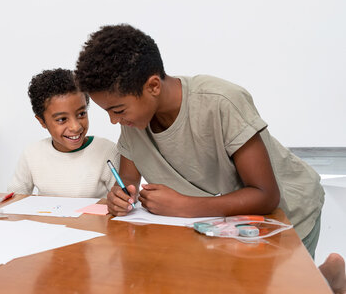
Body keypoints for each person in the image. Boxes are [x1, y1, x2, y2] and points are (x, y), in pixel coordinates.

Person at [74, 24, 346, 294]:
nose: (113, 120)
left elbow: (266, 196)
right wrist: (120, 197)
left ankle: (326, 278)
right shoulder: (133, 119)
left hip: (288, 214)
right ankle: (323, 278)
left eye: (117, 110)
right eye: (108, 112)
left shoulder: (221, 101)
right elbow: (129, 180)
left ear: (153, 86)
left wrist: (184, 206)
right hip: (227, 222)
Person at [8, 68, 118, 198]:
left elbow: (123, 200)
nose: (75, 127)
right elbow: (15, 199)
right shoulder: (32, 154)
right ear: (42, 121)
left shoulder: (107, 151)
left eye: (81, 114)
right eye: (62, 119)